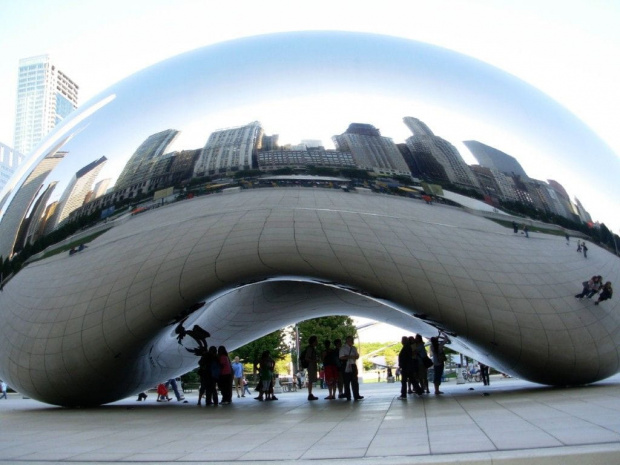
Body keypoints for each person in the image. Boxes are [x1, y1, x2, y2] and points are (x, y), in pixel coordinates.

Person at [339, 335, 363, 401]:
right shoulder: (343, 348)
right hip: (346, 365)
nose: (351, 341)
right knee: (346, 381)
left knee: (355, 381)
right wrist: (350, 357)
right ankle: (348, 395)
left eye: (352, 340)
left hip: (353, 365)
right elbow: (341, 357)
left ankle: (356, 395)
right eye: (350, 340)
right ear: (347, 341)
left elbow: (357, 356)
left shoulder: (354, 348)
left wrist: (351, 356)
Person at [397, 336, 413, 400]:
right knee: (412, 379)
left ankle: (403, 394)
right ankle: (419, 391)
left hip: (405, 367)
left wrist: (401, 365)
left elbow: (404, 357)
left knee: (404, 381)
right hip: (407, 366)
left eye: (402, 340)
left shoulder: (406, 348)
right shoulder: (408, 347)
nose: (401, 341)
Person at [305, 335, 319, 401]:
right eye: (316, 340)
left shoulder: (311, 348)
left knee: (311, 380)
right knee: (310, 380)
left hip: (312, 365)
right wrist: (314, 361)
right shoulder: (310, 349)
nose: (317, 342)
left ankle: (310, 394)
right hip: (311, 365)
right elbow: (307, 358)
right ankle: (310, 394)